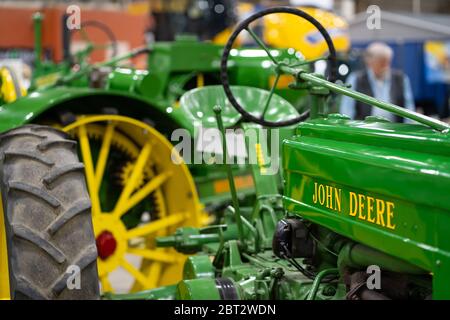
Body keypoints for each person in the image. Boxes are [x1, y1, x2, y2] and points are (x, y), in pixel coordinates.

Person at [340, 42, 415, 122]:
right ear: (369, 62)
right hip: (365, 131)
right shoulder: (356, 79)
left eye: (387, 61)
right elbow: (347, 111)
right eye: (381, 62)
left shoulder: (401, 79)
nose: (385, 66)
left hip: (395, 130)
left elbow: (409, 110)